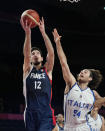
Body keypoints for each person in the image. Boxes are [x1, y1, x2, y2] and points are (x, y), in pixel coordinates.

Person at [52, 28, 104, 131]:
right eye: (81, 71)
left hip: (84, 127)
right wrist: (57, 43)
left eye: (85, 72)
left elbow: (100, 103)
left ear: (90, 78)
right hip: (68, 127)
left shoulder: (93, 93)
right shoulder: (71, 84)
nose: (82, 72)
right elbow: (63, 63)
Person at [20, 17, 56, 131]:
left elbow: (51, 53)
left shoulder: (48, 70)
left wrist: (43, 32)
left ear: (41, 57)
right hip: (30, 112)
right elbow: (26, 54)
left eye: (37, 53)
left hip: (45, 113)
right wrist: (28, 33)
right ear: (30, 58)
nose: (35, 54)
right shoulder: (27, 70)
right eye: (32, 53)